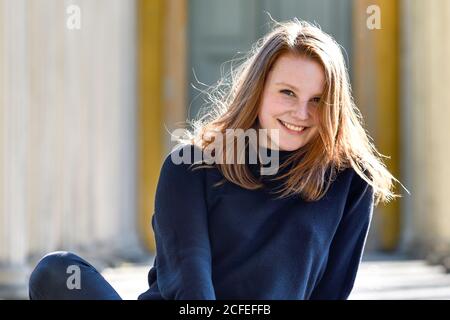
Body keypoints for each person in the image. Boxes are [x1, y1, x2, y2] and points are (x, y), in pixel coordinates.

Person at [29, 19, 403, 300]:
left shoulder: (351, 181)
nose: (301, 113)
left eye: (318, 100)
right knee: (56, 272)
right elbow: (189, 281)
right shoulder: (191, 165)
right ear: (258, 91)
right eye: (287, 92)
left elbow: (331, 292)